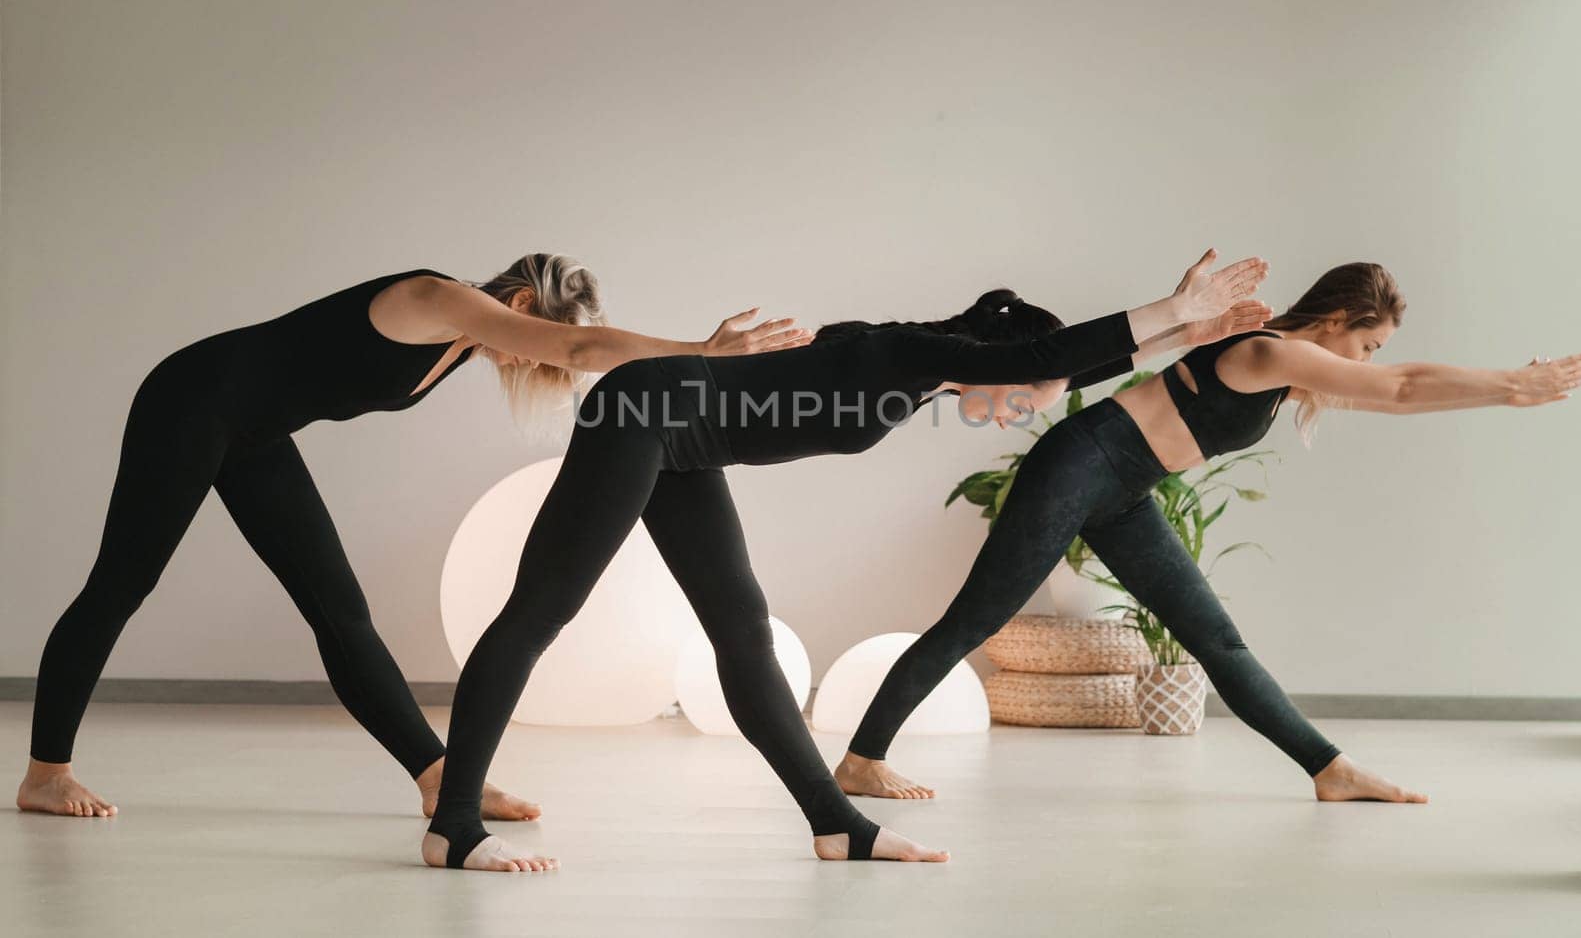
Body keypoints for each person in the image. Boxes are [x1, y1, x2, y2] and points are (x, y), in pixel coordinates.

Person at [421, 248, 1272, 872]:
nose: (1018, 411)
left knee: (744, 634)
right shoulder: (906, 354)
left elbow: (1053, 366)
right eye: (1023, 397)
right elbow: (1045, 361)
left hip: (679, 439)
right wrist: (1167, 308)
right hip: (641, 412)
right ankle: (454, 824)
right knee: (539, 611)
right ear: (998, 361)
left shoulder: (920, 370)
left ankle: (836, 824)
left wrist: (1181, 333)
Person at [18, 255, 811, 821]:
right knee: (122, 583)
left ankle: (437, 778)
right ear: (523, 306)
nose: (528, 358)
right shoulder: (438, 298)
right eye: (535, 338)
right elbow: (578, 350)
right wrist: (699, 351)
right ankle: (46, 772)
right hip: (190, 401)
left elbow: (571, 351)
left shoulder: (463, 344)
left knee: (341, 609)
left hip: (251, 430)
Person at [832, 262, 1581, 807]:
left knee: (1217, 639)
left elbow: (1399, 389)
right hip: (1080, 463)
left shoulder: (1290, 369)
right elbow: (1400, 387)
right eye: (1368, 342)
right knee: (974, 618)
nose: (1369, 361)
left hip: (1123, 489)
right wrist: (1509, 386)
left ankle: (1328, 767)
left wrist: (1501, 385)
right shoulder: (1266, 349)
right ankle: (862, 761)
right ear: (1335, 322)